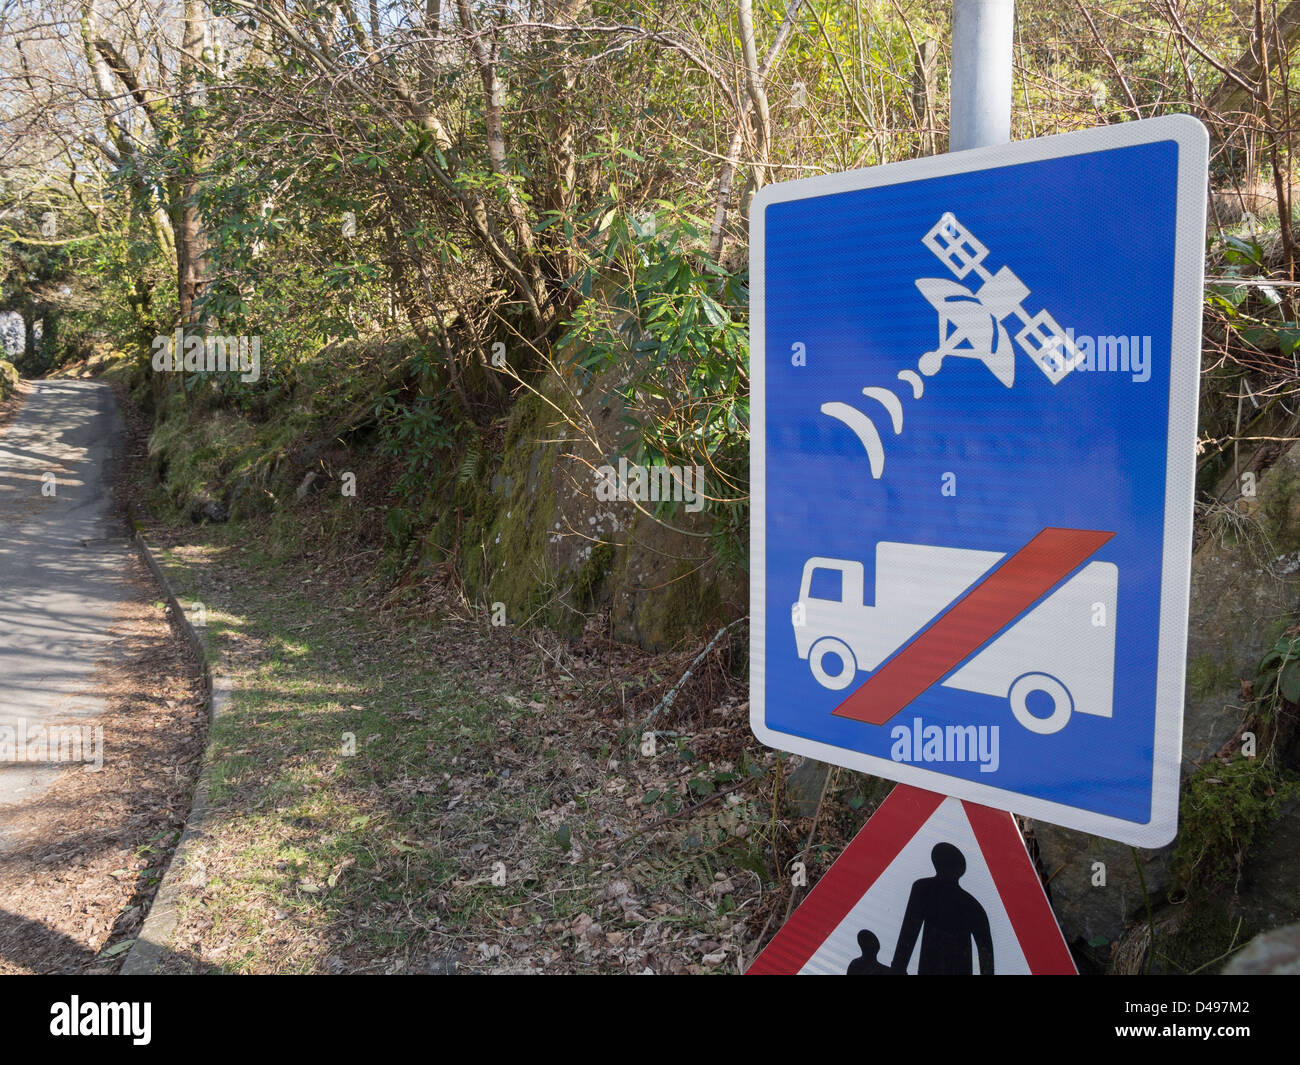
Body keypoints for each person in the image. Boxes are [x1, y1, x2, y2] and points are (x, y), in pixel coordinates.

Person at [890, 842, 994, 975]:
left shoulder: (923, 888)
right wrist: (898, 968)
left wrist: (898, 967)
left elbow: (909, 932)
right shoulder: (972, 904)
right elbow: (986, 951)